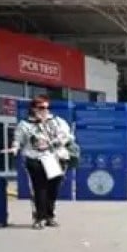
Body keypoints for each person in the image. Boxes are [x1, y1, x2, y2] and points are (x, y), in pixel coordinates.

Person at [13, 94, 75, 229]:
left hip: (53, 158)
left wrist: (55, 141)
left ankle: (49, 215)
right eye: (41, 107)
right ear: (33, 108)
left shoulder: (56, 121)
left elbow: (67, 136)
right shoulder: (25, 124)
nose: (45, 110)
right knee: (39, 188)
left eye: (47, 107)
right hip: (34, 158)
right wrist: (15, 148)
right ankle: (39, 218)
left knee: (53, 188)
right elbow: (18, 139)